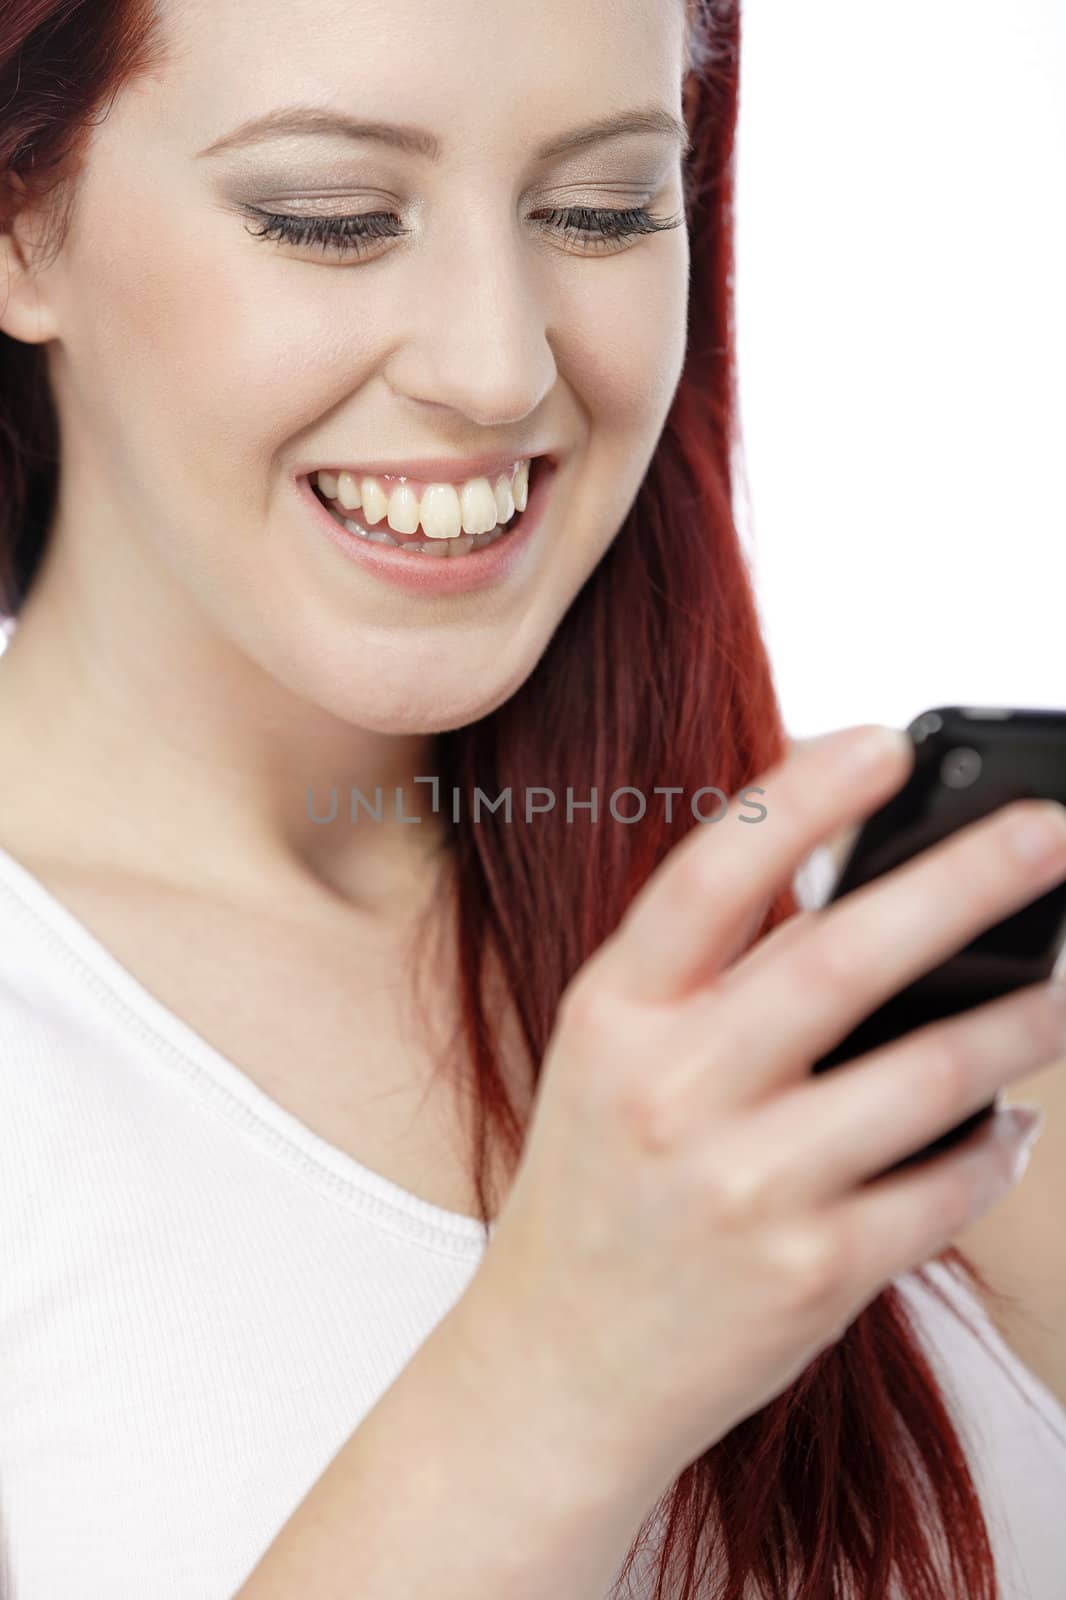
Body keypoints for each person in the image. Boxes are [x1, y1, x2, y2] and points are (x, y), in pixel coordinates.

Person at [0, 1, 1064, 1596]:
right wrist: (557, 1375)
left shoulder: (868, 971)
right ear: (22, 223)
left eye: (603, 209)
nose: (497, 370)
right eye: (331, 219)